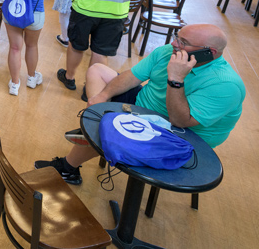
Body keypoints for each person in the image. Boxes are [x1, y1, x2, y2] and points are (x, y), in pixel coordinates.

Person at [36, 24, 245, 184]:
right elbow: (132, 77)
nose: (174, 44)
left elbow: (180, 120)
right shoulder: (167, 52)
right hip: (142, 107)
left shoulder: (226, 85)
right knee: (97, 70)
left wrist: (176, 79)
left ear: (210, 53)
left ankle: (71, 163)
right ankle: (99, 124)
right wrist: (101, 98)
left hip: (179, 135)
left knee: (106, 127)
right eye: (177, 37)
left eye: (183, 42)